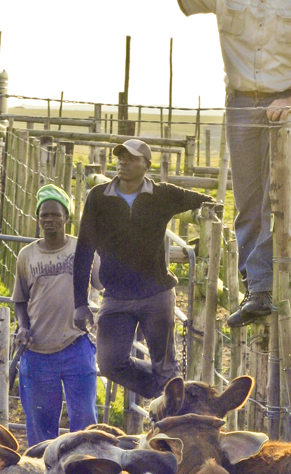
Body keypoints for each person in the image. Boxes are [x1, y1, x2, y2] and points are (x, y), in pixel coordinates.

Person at [82, 0, 291, 327]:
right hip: (242, 103)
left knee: (283, 198)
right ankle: (258, 290)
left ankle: (278, 287)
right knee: (249, 199)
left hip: (287, 104)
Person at [73, 138, 212, 399]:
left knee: (165, 364)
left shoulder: (161, 195)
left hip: (155, 294)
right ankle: (163, 391)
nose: (123, 162)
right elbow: (83, 251)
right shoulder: (99, 197)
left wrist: (205, 235)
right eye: (120, 156)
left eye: (132, 158)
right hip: (115, 296)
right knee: (110, 363)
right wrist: (79, 302)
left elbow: (206, 202)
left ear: (147, 165)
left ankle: (171, 411)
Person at [13, 184, 100, 445]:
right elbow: (20, 301)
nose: (49, 220)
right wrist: (22, 327)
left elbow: (99, 281)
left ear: (67, 218)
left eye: (55, 214)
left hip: (75, 346)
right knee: (41, 428)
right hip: (38, 352)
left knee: (85, 421)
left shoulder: (81, 249)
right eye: (44, 215)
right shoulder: (27, 256)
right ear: (38, 219)